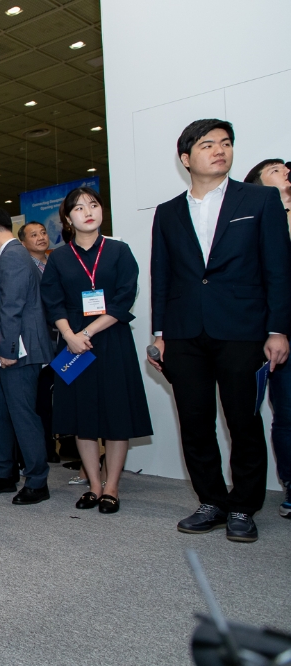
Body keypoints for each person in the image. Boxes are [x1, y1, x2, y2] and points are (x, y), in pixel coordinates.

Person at [150, 119, 291, 542]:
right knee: (194, 420)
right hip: (184, 332)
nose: (219, 151)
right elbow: (164, 275)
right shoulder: (168, 211)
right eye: (208, 145)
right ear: (185, 158)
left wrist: (278, 329)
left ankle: (244, 507)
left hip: (243, 329)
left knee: (242, 422)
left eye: (226, 144)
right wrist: (160, 333)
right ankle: (210, 501)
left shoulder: (260, 200)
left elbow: (278, 271)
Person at [41, 187, 153, 513]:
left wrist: (86, 331)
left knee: (117, 413)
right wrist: (70, 335)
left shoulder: (119, 250)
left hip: (111, 337)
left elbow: (123, 299)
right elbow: (52, 301)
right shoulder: (59, 257)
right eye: (79, 208)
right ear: (67, 218)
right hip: (72, 342)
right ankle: (93, 484)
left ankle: (112, 487)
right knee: (81, 415)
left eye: (93, 205)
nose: (88, 211)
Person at [0, 209, 54, 504]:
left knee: (22, 415)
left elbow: (13, 308)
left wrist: (6, 351)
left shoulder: (14, 255)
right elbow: (9, 299)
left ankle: (37, 481)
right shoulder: (12, 256)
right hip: (5, 349)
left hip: (16, 350)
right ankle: (4, 473)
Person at [243, 158, 291, 517]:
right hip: (278, 331)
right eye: (275, 170)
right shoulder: (258, 223)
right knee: (286, 412)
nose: (285, 172)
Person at [18, 220, 62, 463]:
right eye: (33, 235)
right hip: (38, 339)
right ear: (23, 243)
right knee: (40, 397)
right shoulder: (24, 266)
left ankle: (67, 444)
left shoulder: (56, 262)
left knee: (65, 392)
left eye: (43, 232)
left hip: (63, 337)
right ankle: (43, 447)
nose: (41, 237)